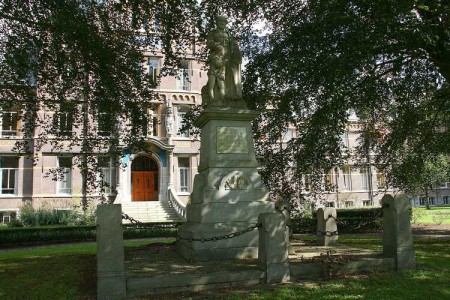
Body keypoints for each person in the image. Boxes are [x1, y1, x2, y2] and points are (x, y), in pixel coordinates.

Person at [206, 16, 242, 103]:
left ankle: (231, 96)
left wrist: (237, 54)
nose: (222, 23)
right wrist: (217, 46)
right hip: (217, 56)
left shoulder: (229, 34)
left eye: (224, 22)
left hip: (228, 58)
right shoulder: (213, 33)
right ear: (217, 23)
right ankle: (216, 98)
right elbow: (209, 43)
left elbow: (234, 45)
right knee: (217, 79)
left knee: (229, 76)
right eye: (220, 21)